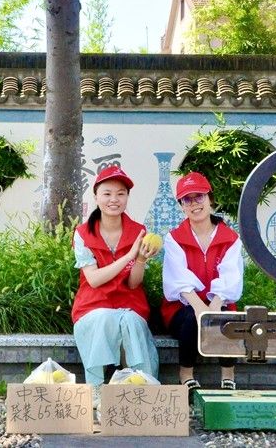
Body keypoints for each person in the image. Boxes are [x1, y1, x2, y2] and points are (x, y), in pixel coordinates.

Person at [72, 165, 161, 401]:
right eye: (107, 193)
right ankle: (96, 390)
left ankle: (141, 388)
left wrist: (140, 259)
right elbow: (93, 279)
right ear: (96, 196)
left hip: (129, 302)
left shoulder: (138, 231)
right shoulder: (82, 233)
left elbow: (133, 284)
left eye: (121, 194)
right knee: (103, 318)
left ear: (127, 197)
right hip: (93, 305)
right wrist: (129, 256)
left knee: (130, 321)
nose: (114, 199)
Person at [162, 171, 244, 392]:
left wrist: (214, 306)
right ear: (181, 206)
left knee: (225, 317)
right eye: (187, 199)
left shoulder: (230, 238)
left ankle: (228, 374)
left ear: (210, 199)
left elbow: (231, 276)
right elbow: (177, 278)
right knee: (192, 318)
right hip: (182, 308)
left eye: (199, 196)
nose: (194, 204)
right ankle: (186, 374)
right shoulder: (174, 238)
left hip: (220, 302)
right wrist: (201, 309)